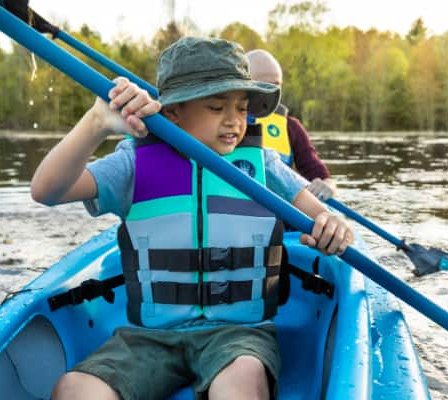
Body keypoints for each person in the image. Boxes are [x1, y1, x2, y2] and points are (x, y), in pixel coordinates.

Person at [30, 37, 353, 400]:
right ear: (172, 113)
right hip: (150, 337)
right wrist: (95, 125)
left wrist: (332, 227)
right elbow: (47, 190)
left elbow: (320, 214)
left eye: (242, 107)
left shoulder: (264, 165)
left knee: (244, 377)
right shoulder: (134, 164)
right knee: (74, 387)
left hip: (237, 335)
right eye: (217, 107)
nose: (234, 120)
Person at [246, 49, 336, 201]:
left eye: (276, 86)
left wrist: (327, 185)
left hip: (281, 212)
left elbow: (321, 176)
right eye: (262, 85)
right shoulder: (223, 122)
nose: (271, 93)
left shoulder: (291, 126)